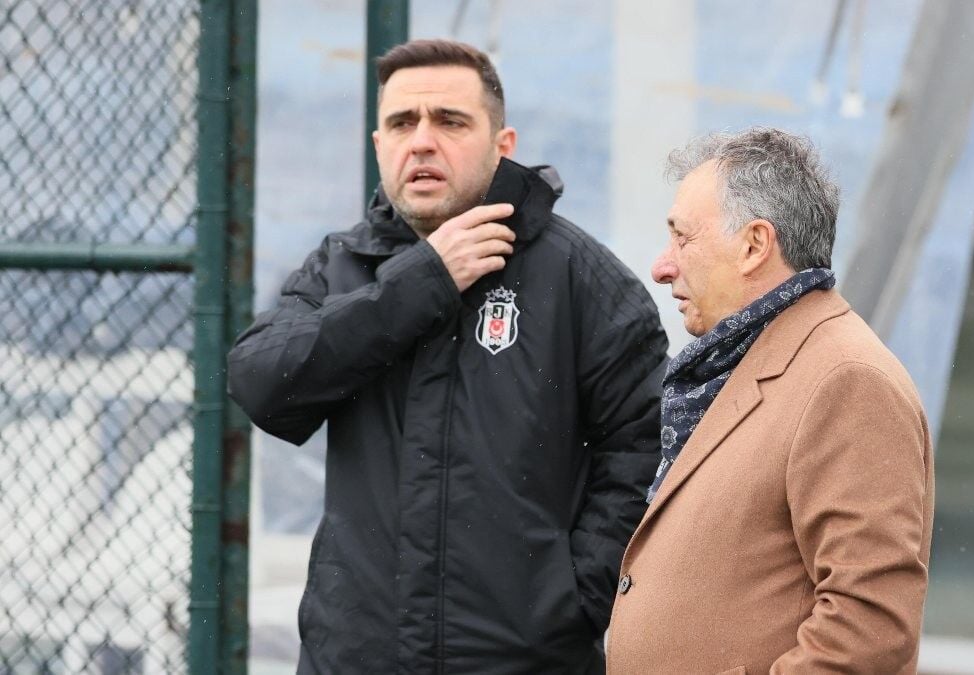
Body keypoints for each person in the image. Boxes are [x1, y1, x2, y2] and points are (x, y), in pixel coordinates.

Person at [227, 39, 667, 673]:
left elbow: (646, 451)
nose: (422, 142)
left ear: (503, 144)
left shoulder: (582, 279)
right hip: (356, 659)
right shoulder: (342, 267)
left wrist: (572, 601)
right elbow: (261, 383)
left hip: (523, 660)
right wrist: (424, 279)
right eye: (402, 123)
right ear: (378, 144)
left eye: (450, 121)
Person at [606, 127, 935, 674]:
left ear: (755, 245)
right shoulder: (743, 362)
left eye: (682, 239)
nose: (662, 267)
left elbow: (870, 629)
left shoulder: (847, 380)